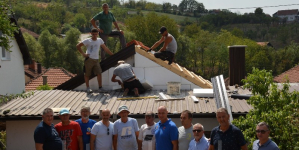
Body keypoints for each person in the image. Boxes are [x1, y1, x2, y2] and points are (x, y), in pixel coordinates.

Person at [77, 28, 113, 93]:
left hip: (96, 60)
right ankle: (88, 88)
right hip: (89, 60)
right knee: (87, 74)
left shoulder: (100, 40)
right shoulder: (88, 40)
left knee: (99, 73)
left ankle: (100, 88)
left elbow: (105, 48)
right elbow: (78, 46)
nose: (94, 36)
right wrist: (83, 54)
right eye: (93, 34)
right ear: (91, 34)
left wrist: (112, 55)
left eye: (96, 34)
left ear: (97, 34)